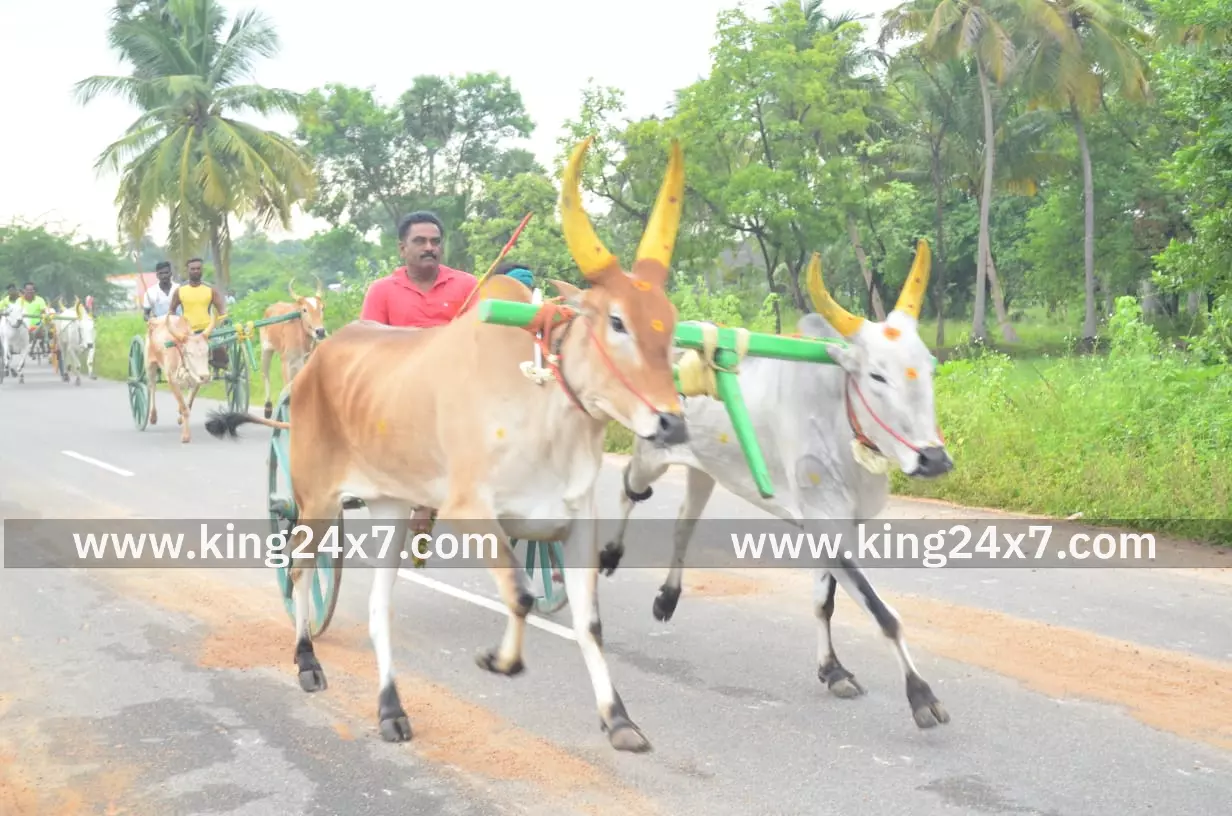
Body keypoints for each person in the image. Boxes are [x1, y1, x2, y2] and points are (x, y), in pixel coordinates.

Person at [360, 211, 478, 327]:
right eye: (420, 241)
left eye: (435, 242)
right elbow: (370, 340)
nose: (429, 248)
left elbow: (482, 333)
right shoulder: (381, 291)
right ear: (402, 249)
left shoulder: (467, 285)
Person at [167, 258, 228, 370]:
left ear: (202, 270)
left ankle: (215, 365)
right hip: (187, 332)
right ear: (188, 271)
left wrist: (224, 318)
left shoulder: (210, 290)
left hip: (207, 331)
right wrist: (173, 324)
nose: (195, 271)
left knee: (221, 351)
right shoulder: (180, 290)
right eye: (193, 269)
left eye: (198, 269)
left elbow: (221, 309)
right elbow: (172, 310)